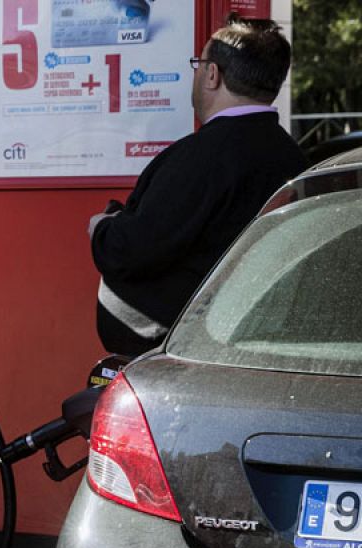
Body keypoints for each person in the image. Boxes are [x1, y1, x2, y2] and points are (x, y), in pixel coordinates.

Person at [89, 17, 308, 356]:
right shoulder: (293, 159)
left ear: (212, 75)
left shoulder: (199, 158)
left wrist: (102, 228)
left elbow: (132, 251)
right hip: (243, 334)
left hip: (169, 346)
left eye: (199, 64)